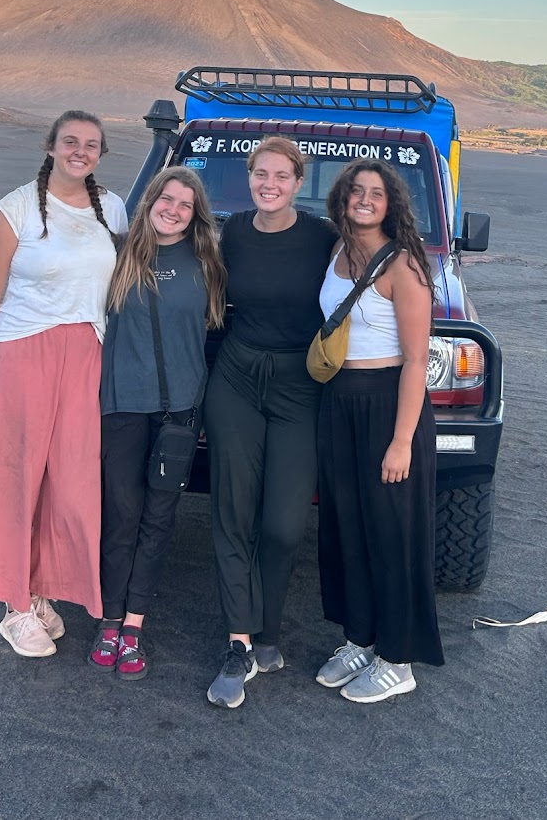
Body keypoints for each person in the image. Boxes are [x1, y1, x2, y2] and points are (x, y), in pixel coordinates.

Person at [0, 110, 128, 657]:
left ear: (101, 154)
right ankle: (14, 605)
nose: (80, 151)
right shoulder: (14, 211)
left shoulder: (113, 208)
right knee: (17, 476)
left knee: (70, 482)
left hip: (87, 355)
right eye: (71, 141)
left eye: (91, 145)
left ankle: (40, 592)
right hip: (25, 352)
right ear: (51, 146)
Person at [202, 136, 337, 708]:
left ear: (299, 182)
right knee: (232, 510)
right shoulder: (232, 231)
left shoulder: (324, 237)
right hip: (236, 377)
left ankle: (269, 632)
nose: (270, 184)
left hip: (299, 385)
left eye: (282, 175)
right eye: (261, 173)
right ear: (249, 176)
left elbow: (371, 274)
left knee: (283, 523)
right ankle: (239, 643)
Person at [314, 160, 444, 702]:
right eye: (356, 190)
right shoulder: (337, 252)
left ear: (391, 204)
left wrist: (401, 441)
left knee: (394, 533)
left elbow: (416, 360)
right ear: (342, 198)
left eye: (377, 193)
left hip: (389, 404)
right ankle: (360, 639)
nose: (365, 200)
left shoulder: (404, 264)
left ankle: (398, 658)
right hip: (339, 401)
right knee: (348, 526)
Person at [89, 167, 226, 681]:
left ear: (195, 215)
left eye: (186, 204)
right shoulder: (116, 254)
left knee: (158, 518)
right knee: (120, 515)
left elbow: (216, 335)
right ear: (149, 201)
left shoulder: (207, 261)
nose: (174, 210)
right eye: (166, 199)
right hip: (123, 405)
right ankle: (109, 621)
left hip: (180, 413)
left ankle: (134, 626)